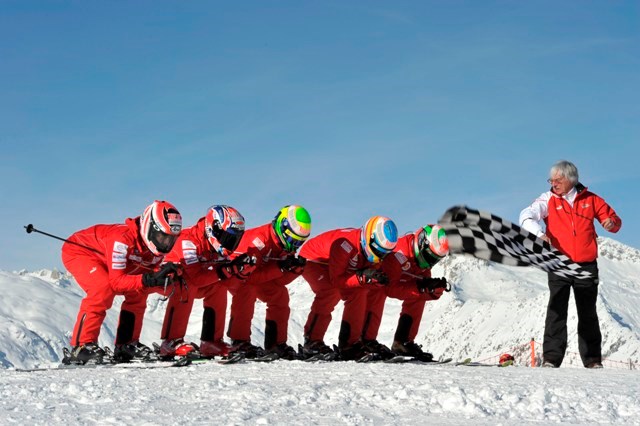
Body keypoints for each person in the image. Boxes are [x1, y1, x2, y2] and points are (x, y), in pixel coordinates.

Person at [519, 160, 622, 368]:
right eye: (552, 180)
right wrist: (539, 234)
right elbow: (525, 216)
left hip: (586, 264)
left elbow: (613, 219)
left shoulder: (590, 199)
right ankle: (551, 359)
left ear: (571, 179)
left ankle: (593, 360)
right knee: (556, 311)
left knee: (588, 313)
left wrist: (610, 223)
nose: (554, 183)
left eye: (558, 179)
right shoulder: (547, 199)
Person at [61, 200, 183, 364]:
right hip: (80, 251)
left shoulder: (154, 247)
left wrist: (167, 276)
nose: (166, 244)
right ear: (150, 227)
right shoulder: (122, 239)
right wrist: (150, 278)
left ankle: (126, 344)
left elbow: (146, 279)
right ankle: (81, 346)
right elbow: (117, 282)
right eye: (163, 237)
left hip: (109, 261)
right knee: (103, 288)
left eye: (171, 240)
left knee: (139, 291)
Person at [157, 205, 256, 358]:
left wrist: (241, 271)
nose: (230, 243)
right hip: (162, 280)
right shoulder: (188, 241)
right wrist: (227, 270)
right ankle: (170, 342)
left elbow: (223, 278)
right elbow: (195, 277)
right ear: (213, 229)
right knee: (185, 282)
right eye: (227, 237)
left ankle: (211, 342)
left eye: (234, 239)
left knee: (218, 285)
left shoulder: (215, 246)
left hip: (192, 281)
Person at [300, 216, 398, 360]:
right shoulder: (345, 245)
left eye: (383, 253)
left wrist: (376, 279)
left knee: (361, 291)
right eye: (377, 251)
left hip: (337, 264)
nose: (379, 257)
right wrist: (362, 277)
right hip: (313, 261)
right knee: (330, 291)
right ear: (368, 238)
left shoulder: (369, 249)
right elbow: (337, 281)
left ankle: (352, 344)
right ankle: (312, 342)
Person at [225, 205, 312, 359]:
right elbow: (248, 277)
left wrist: (294, 270)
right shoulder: (259, 241)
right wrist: (279, 267)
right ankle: (239, 341)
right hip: (236, 276)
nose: (294, 245)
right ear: (282, 227)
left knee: (280, 294)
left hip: (257, 277)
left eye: (299, 242)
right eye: (292, 239)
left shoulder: (284, 245)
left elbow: (278, 281)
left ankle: (276, 344)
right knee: (247, 290)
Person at [361, 224, 450, 361]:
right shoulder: (398, 254)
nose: (430, 263)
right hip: (375, 281)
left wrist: (434, 290)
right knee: (377, 289)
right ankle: (364, 341)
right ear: (421, 243)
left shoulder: (422, 265)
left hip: (395, 279)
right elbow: (389, 288)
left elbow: (419, 291)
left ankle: (403, 343)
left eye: (435, 260)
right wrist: (420, 288)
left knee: (420, 294)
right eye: (429, 256)